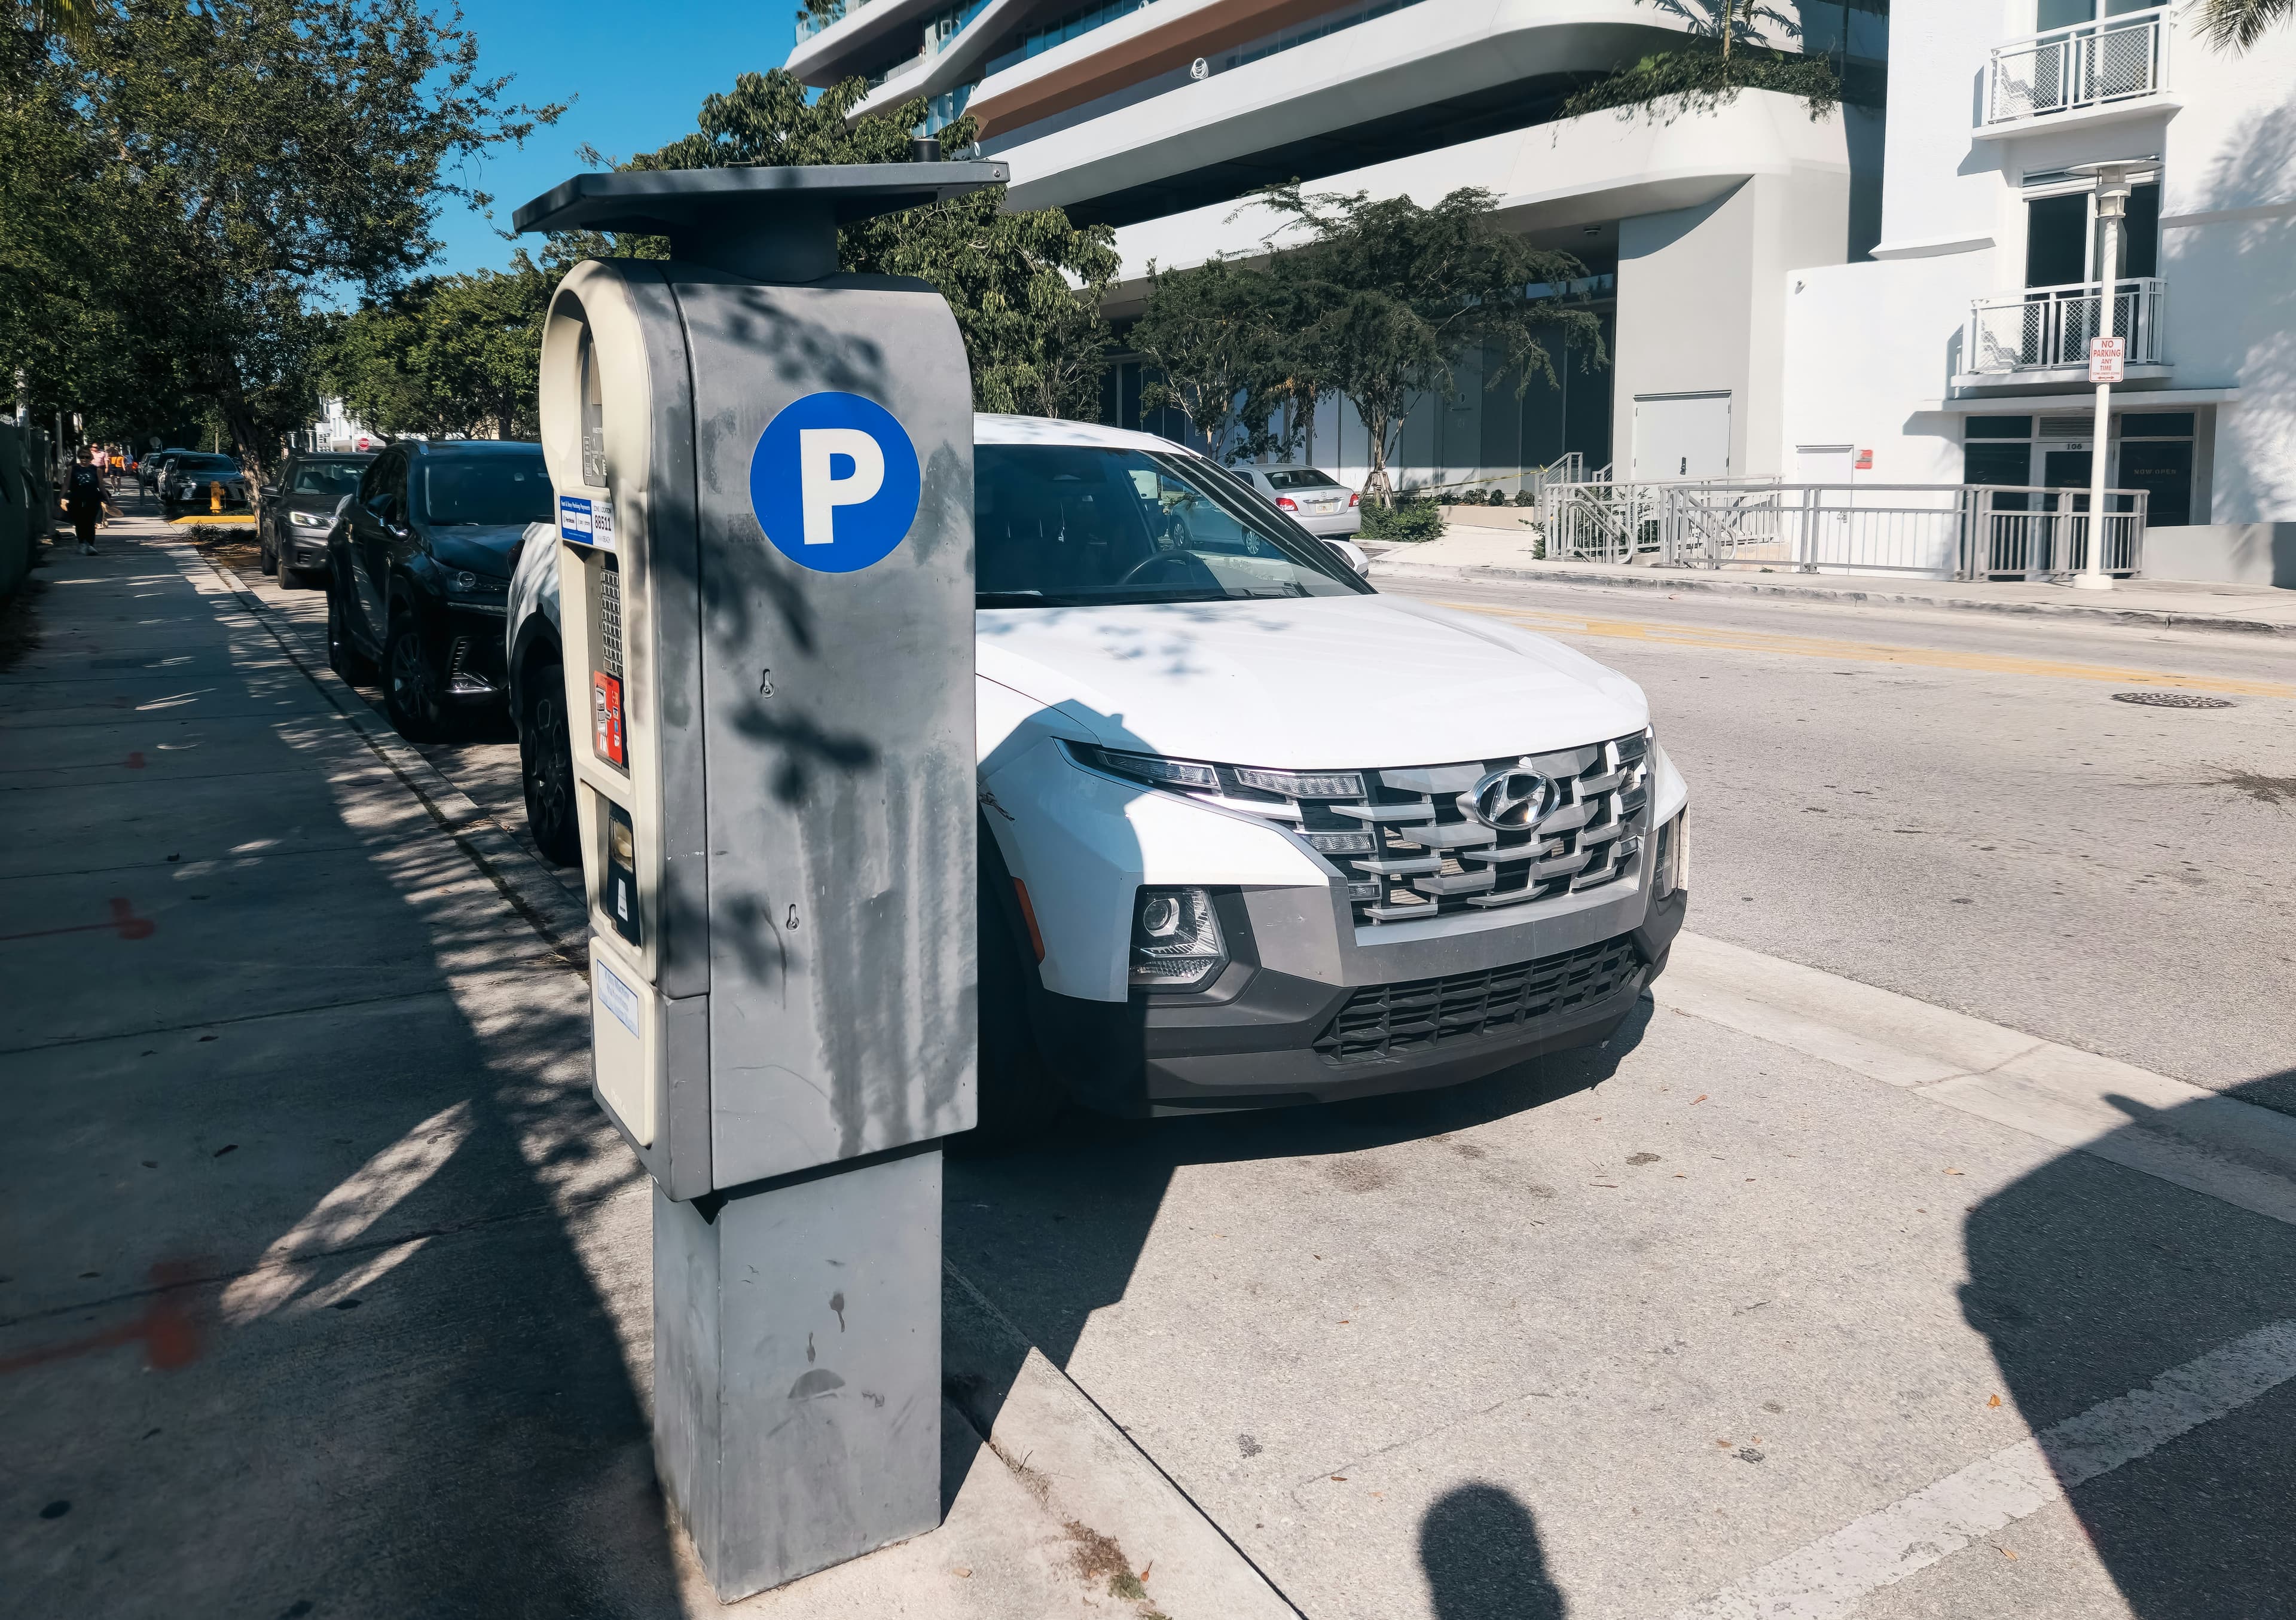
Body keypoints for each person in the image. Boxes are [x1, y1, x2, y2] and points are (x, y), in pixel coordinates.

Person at [63, 447, 120, 555]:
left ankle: (90, 545)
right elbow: (66, 484)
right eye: (82, 457)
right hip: (76, 498)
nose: (84, 459)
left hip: (92, 498)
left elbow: (101, 486)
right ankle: (82, 543)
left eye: (87, 457)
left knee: (90, 522)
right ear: (79, 457)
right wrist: (61, 497)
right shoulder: (72, 469)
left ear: (91, 458)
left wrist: (108, 499)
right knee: (79, 522)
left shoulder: (96, 470)